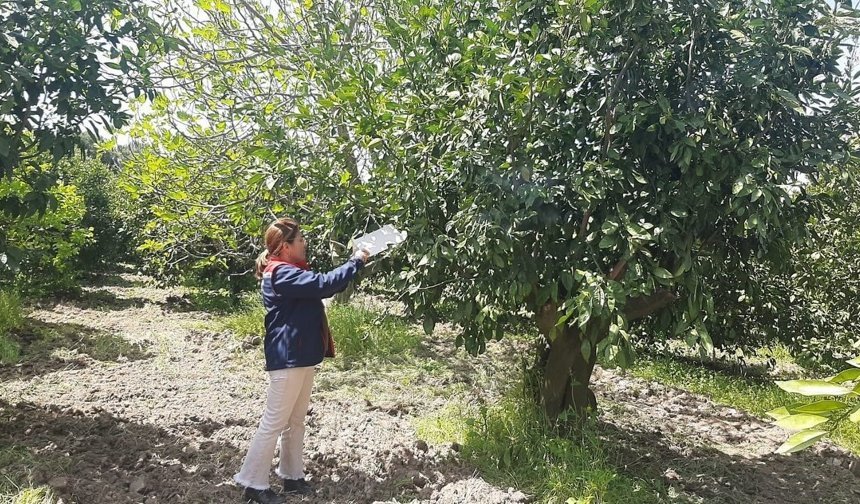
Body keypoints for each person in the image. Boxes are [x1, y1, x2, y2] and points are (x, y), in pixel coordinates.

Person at [234, 217, 370, 504]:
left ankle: (292, 477)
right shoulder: (281, 273)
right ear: (285, 247)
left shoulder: (289, 271)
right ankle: (253, 483)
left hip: (300, 356)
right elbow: (324, 283)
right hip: (288, 358)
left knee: (295, 421)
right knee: (274, 422)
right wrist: (356, 260)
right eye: (300, 240)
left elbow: (322, 288)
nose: (304, 243)